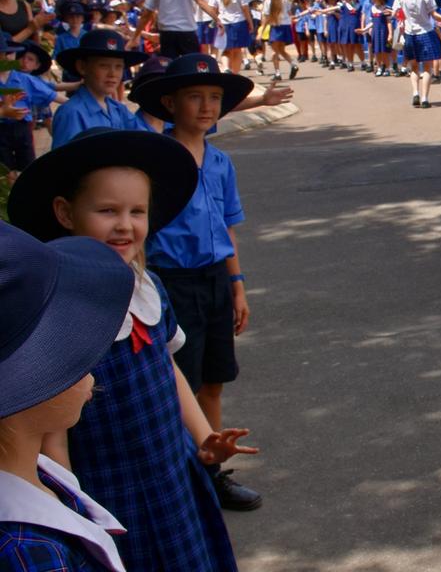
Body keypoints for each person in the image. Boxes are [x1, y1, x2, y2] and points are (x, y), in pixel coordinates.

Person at [8, 128, 258, 571]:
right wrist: (69, 500)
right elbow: (50, 426)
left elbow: (166, 366)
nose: (126, 225)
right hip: (110, 484)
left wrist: (204, 438)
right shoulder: (62, 305)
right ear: (65, 213)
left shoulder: (150, 286)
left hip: (172, 470)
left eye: (137, 211)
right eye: (107, 210)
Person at [130, 54, 263, 512]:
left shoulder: (222, 161)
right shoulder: (154, 160)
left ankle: (210, 471)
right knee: (176, 383)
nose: (207, 106)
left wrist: (238, 286)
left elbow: (228, 228)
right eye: (195, 97)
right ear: (170, 102)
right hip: (170, 282)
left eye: (214, 98)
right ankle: (178, 477)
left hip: (214, 281)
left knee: (213, 380)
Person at [0, 222, 135, 572]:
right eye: (70, 348)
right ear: (24, 382)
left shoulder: (38, 473)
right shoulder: (26, 552)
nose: (92, 367)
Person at [51, 28, 149, 148]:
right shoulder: (72, 113)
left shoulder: (117, 109)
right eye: (104, 66)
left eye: (118, 67)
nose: (112, 74)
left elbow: (146, 139)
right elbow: (63, 162)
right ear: (82, 67)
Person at [132, 0, 221, 60]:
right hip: (188, 31)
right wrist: (216, 18)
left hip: (168, 33)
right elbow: (201, 2)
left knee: (170, 64)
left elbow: (146, 15)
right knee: (191, 62)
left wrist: (136, 35)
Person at [0, 33, 56, 175]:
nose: (5, 58)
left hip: (22, 127)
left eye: (8, 54)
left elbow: (53, 91)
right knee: (6, 169)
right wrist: (4, 112)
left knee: (27, 164)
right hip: (3, 129)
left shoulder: (24, 79)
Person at [212, 0, 254, 78]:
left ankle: (226, 68)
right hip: (239, 23)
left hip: (224, 23)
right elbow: (245, 9)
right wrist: (250, 23)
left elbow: (213, 9)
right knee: (237, 50)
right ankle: (235, 74)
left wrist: (216, 20)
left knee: (226, 50)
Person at [262, 0, 299, 81]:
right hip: (286, 25)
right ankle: (293, 64)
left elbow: (266, 16)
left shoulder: (268, 0)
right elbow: (289, 12)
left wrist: (262, 30)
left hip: (276, 26)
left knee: (275, 51)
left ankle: (278, 73)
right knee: (281, 50)